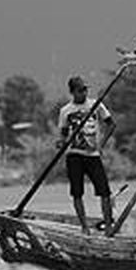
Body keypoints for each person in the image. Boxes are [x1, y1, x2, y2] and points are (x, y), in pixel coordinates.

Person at [57, 75, 116, 235]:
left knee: (104, 191)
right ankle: (84, 227)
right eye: (80, 90)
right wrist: (61, 143)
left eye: (85, 90)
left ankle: (109, 226)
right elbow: (63, 135)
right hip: (74, 155)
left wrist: (101, 144)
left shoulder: (96, 105)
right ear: (72, 92)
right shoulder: (65, 111)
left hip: (92, 155)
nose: (83, 93)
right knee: (77, 192)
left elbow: (111, 124)